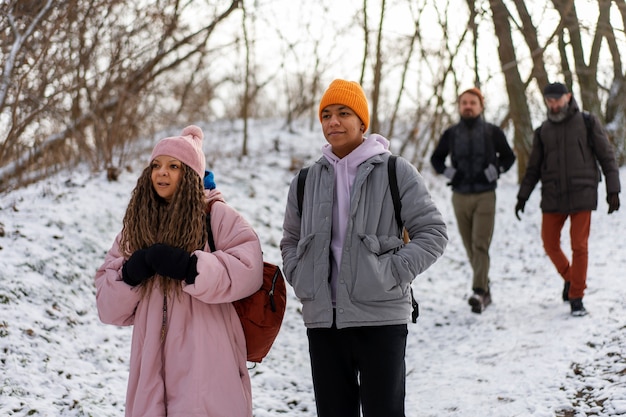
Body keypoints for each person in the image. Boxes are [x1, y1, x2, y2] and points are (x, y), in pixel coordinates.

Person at [280, 79, 448, 417]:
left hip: (381, 319)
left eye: (343, 113)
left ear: (362, 122)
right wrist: (301, 278)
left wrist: (390, 273)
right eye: (326, 115)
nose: (333, 122)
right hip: (324, 323)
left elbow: (433, 232)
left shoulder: (395, 171)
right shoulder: (305, 181)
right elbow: (290, 241)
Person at [95, 125, 264, 417]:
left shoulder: (216, 216)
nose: (162, 172)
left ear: (190, 175)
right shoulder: (136, 228)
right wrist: (131, 273)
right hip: (151, 364)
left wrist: (192, 268)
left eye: (174, 166)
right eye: (156, 165)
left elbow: (250, 267)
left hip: (207, 358)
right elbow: (107, 307)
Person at [515, 82, 621, 317]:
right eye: (549, 100)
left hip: (583, 192)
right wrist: (522, 196)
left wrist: (613, 189)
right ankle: (572, 278)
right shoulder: (542, 131)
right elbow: (533, 168)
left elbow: (606, 155)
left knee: (579, 246)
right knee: (549, 242)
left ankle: (577, 297)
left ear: (568, 97)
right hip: (553, 195)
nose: (553, 104)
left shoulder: (586, 121)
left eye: (557, 99)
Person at [430, 87, 516, 313]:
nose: (468, 106)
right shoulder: (451, 133)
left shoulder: (492, 132)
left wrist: (493, 172)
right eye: (464, 102)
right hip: (459, 196)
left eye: (472, 102)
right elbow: (436, 159)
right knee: (470, 247)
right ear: (459, 106)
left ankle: (478, 291)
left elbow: (509, 158)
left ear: (481, 106)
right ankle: (485, 288)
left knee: (480, 244)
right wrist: (451, 174)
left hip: (485, 195)